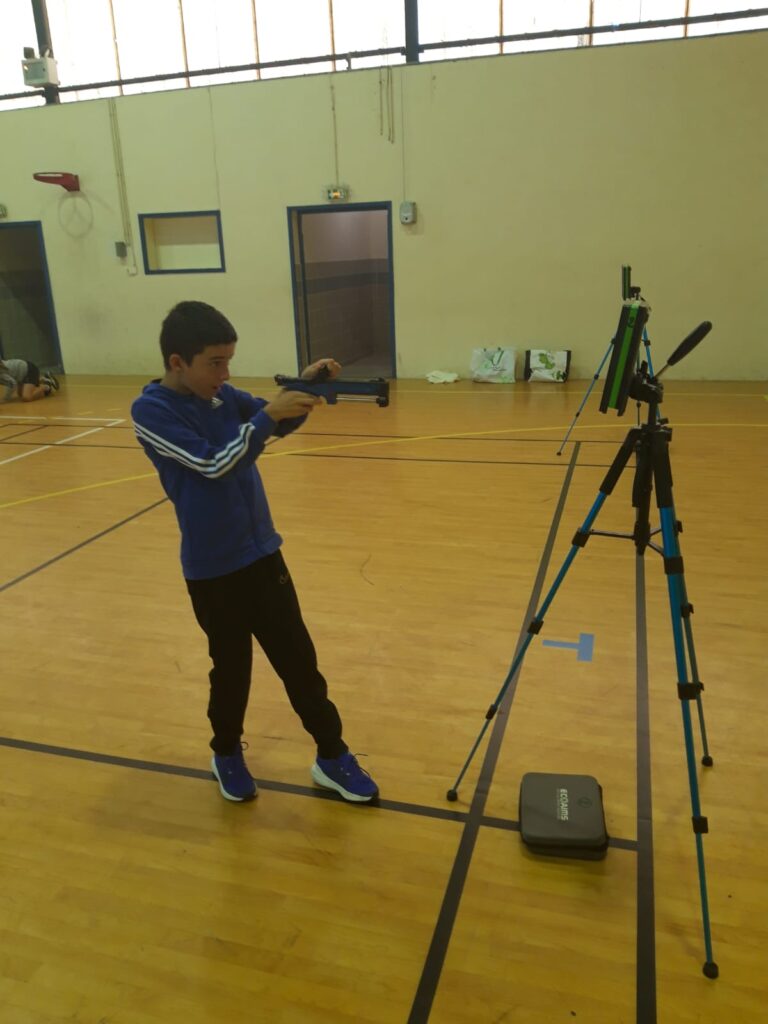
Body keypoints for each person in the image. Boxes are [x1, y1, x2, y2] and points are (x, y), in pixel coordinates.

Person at [131, 301, 378, 804]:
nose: (225, 374)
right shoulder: (152, 411)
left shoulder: (222, 396)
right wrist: (268, 415)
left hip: (263, 556)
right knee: (231, 670)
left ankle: (332, 755)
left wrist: (305, 387)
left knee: (299, 662)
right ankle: (225, 752)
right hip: (213, 571)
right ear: (177, 362)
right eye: (215, 363)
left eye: (228, 361)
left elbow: (275, 424)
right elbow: (215, 463)